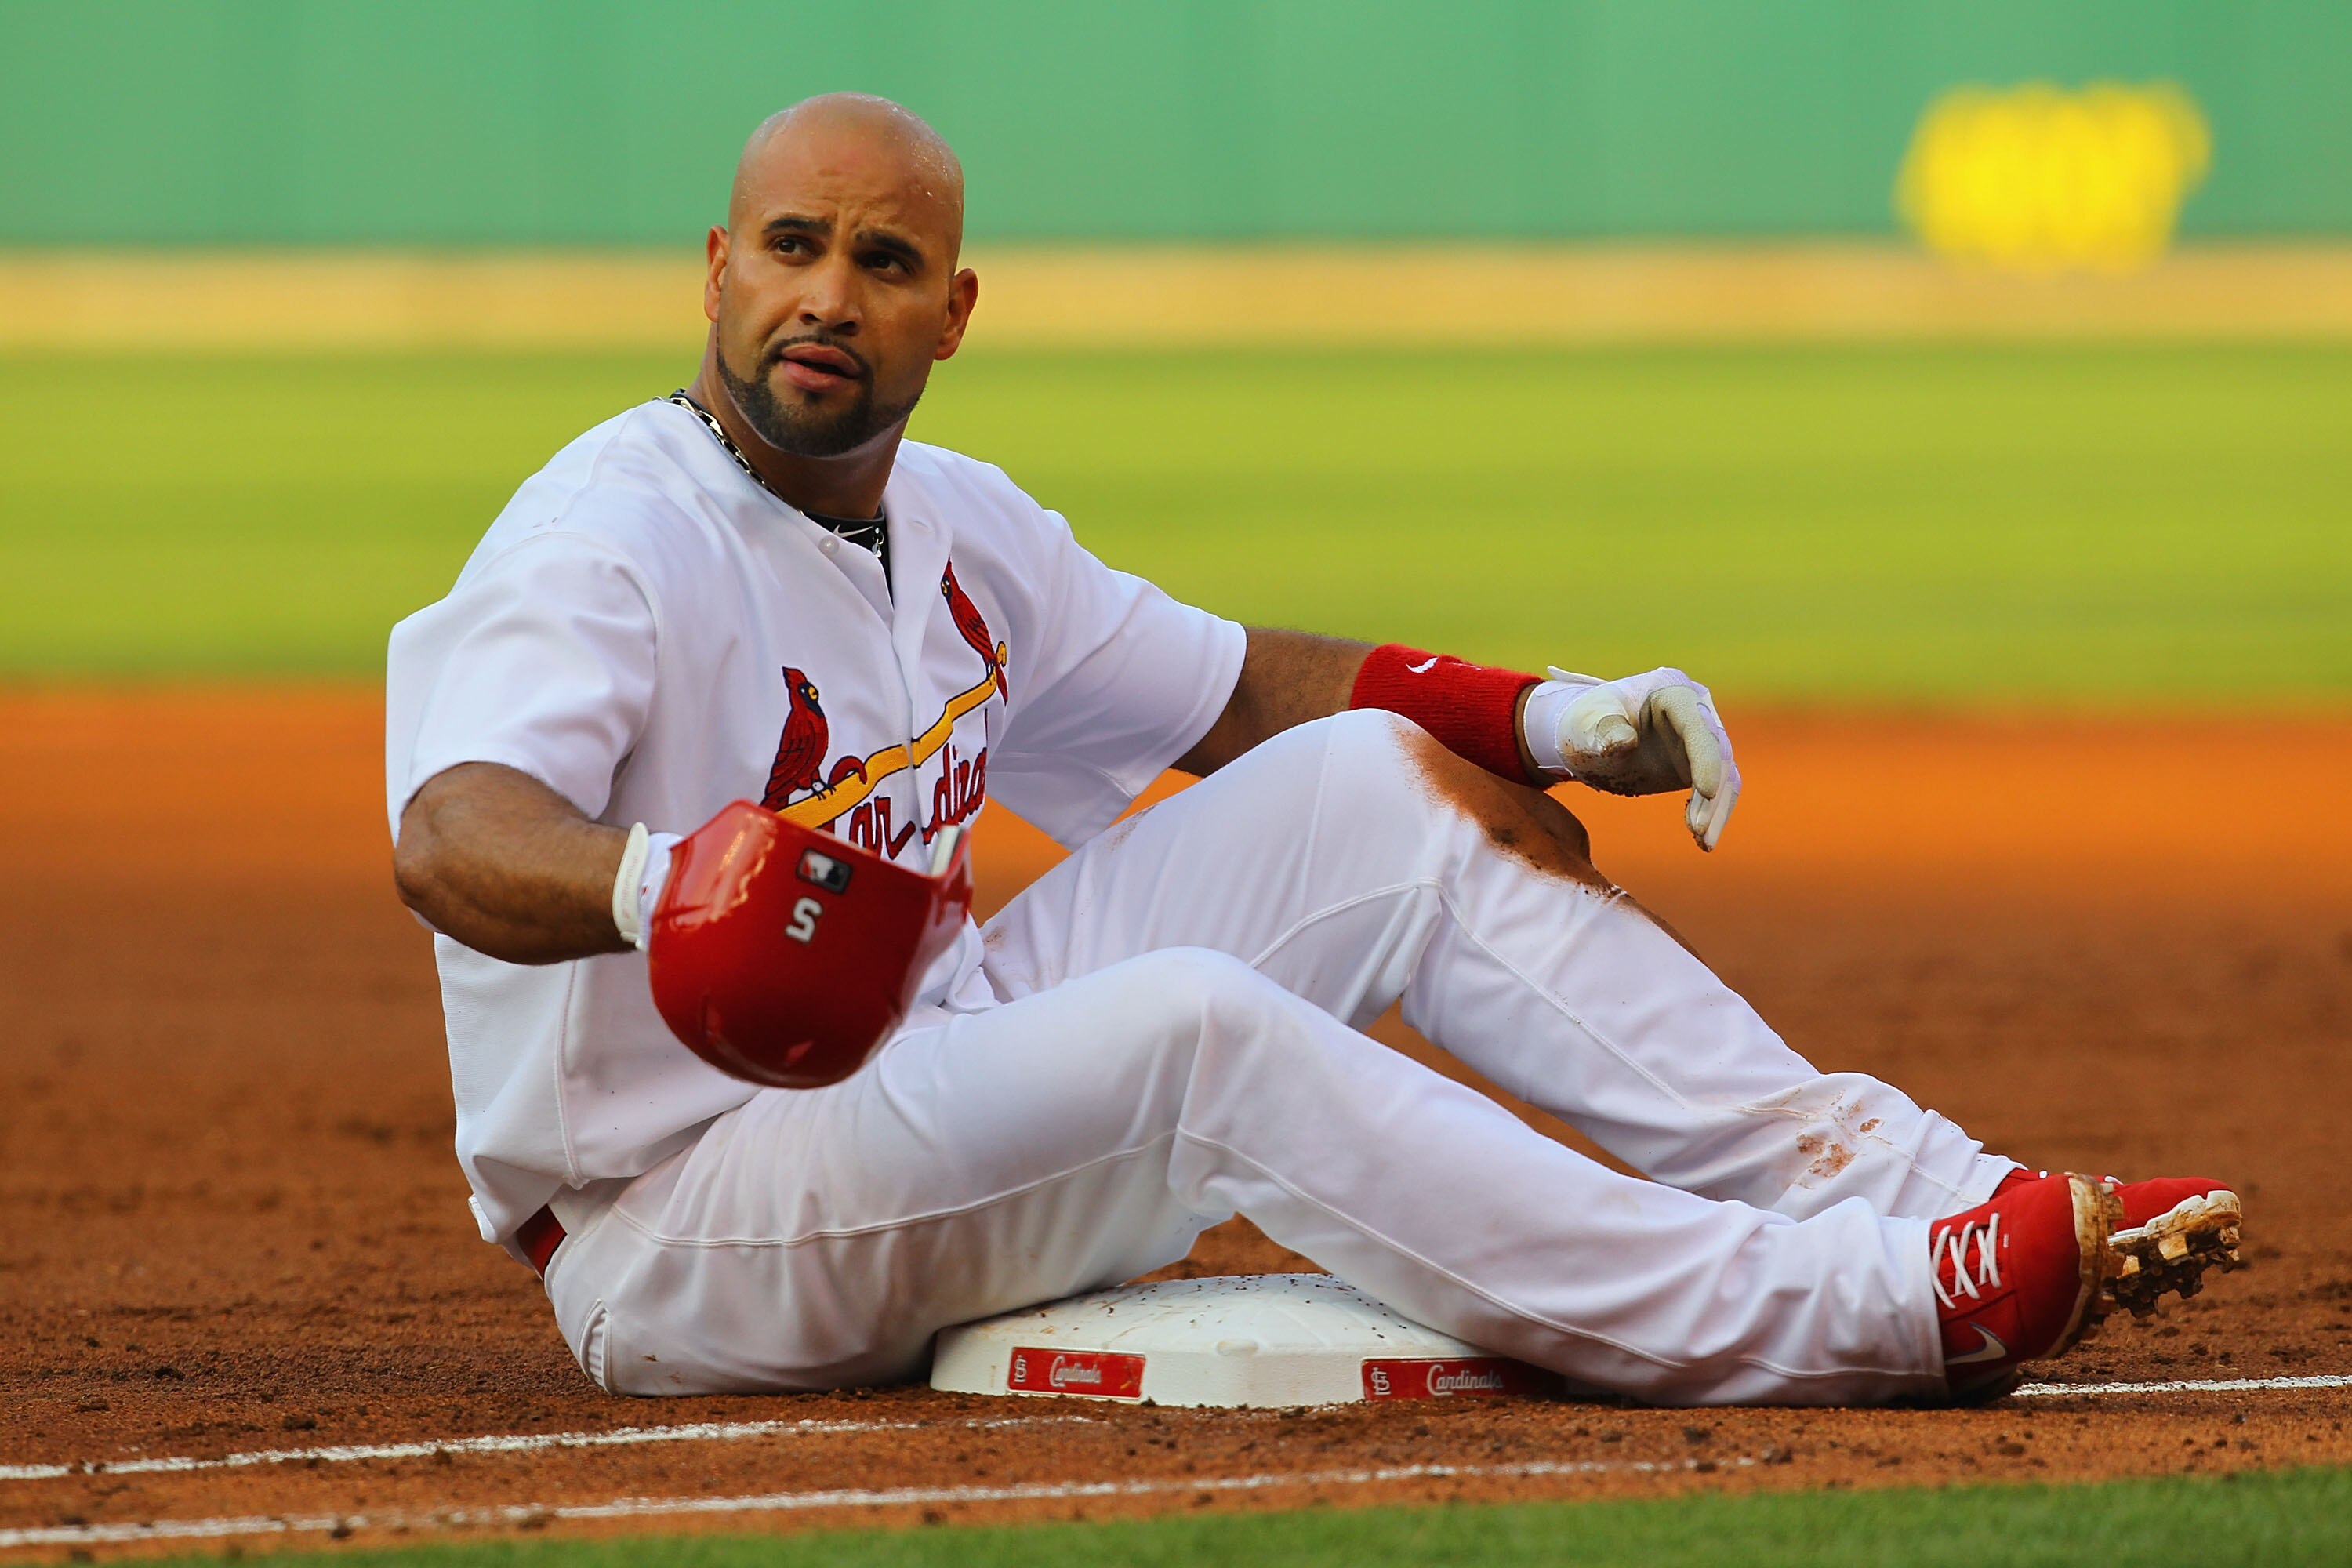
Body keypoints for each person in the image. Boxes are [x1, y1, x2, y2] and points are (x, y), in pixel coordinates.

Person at [385, 94, 2240, 1404]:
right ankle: (1850, 1313)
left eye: (884, 261)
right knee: (1194, 1030)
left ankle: (1918, 1187)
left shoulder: (955, 522)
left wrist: (1537, 712)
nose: (827, 294)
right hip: (683, 1224)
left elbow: (1239, 690)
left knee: (1374, 792)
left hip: (915, 1073)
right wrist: (653, 880)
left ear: (952, 315)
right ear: (715, 270)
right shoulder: (605, 536)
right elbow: (450, 830)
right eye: (791, 246)